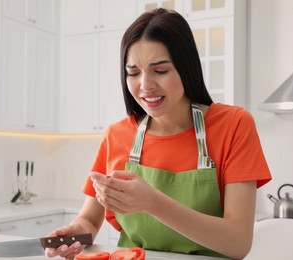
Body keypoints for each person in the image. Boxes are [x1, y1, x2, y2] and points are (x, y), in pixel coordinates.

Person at [45, 8, 271, 260]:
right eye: (133, 73)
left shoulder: (234, 125)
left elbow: (238, 243)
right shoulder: (117, 135)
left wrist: (152, 203)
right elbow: (89, 219)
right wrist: (75, 235)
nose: (145, 85)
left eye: (160, 70)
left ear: (186, 68)